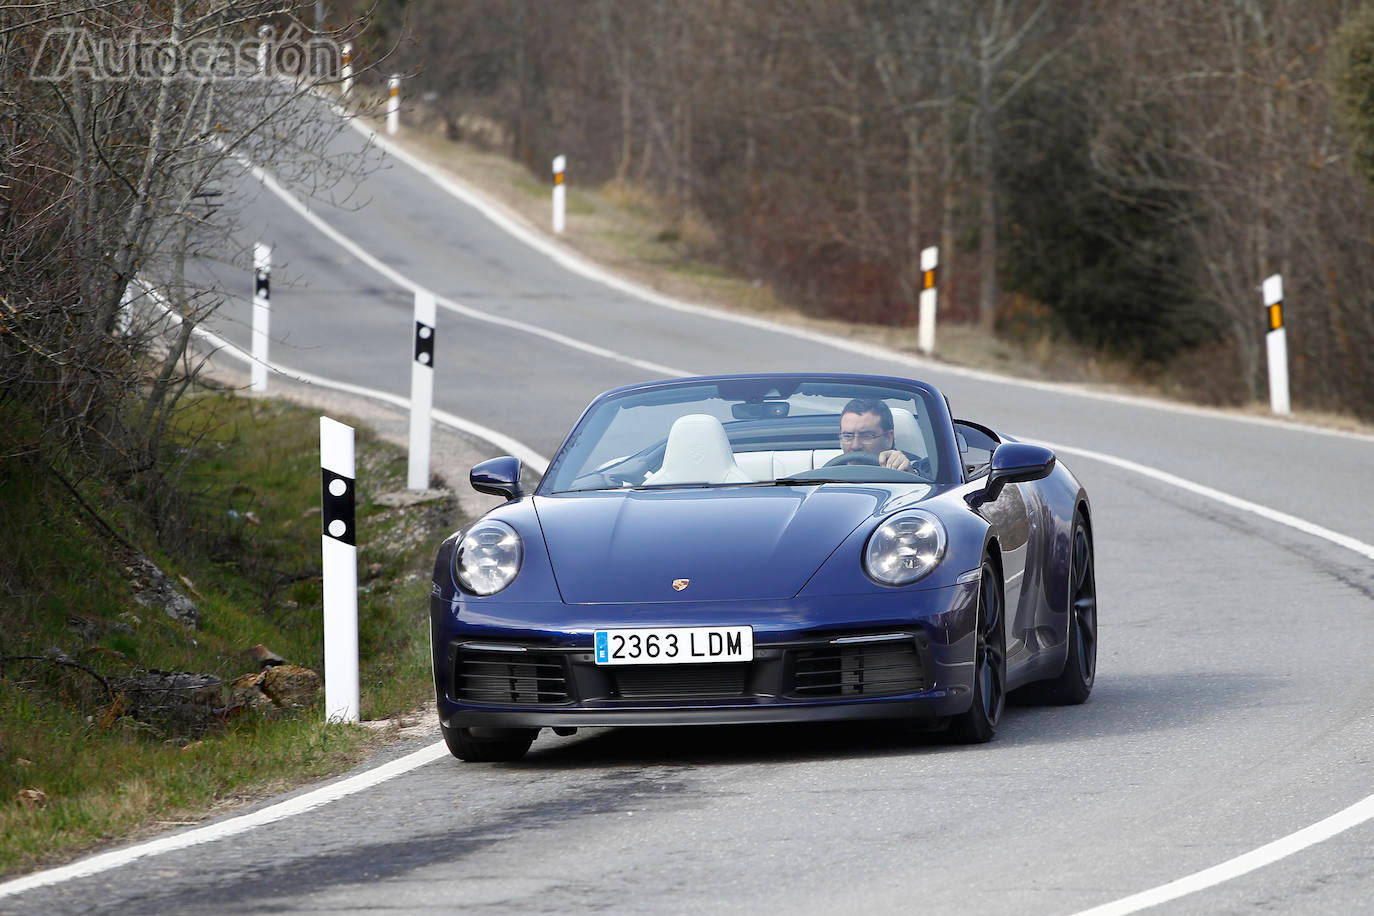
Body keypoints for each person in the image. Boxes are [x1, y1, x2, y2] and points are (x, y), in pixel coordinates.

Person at [838, 398, 913, 472]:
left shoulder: (913, 467)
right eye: (847, 436)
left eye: (866, 436)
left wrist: (909, 473)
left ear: (888, 438)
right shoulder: (833, 470)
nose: (855, 446)